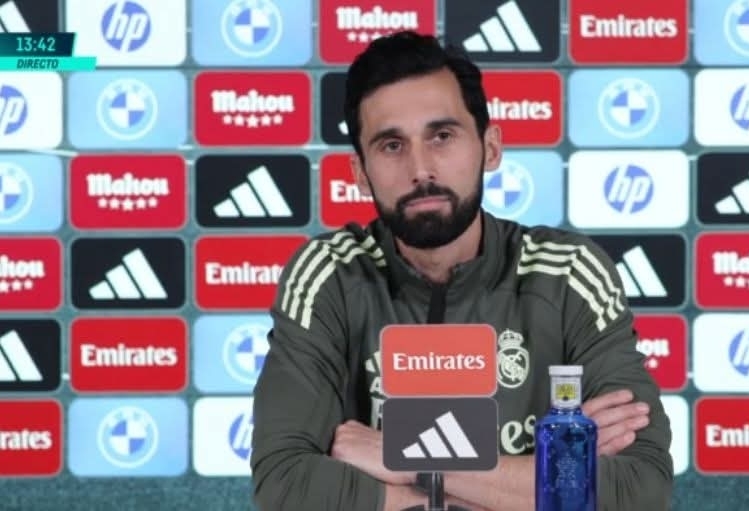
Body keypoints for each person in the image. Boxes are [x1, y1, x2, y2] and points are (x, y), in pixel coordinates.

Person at [250, 30, 673, 511]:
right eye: (391, 145)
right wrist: (542, 480)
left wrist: (407, 460)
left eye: (442, 136)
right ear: (360, 173)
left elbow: (639, 488)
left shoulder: (568, 274)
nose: (421, 168)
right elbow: (285, 486)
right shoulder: (330, 275)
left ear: (490, 148)